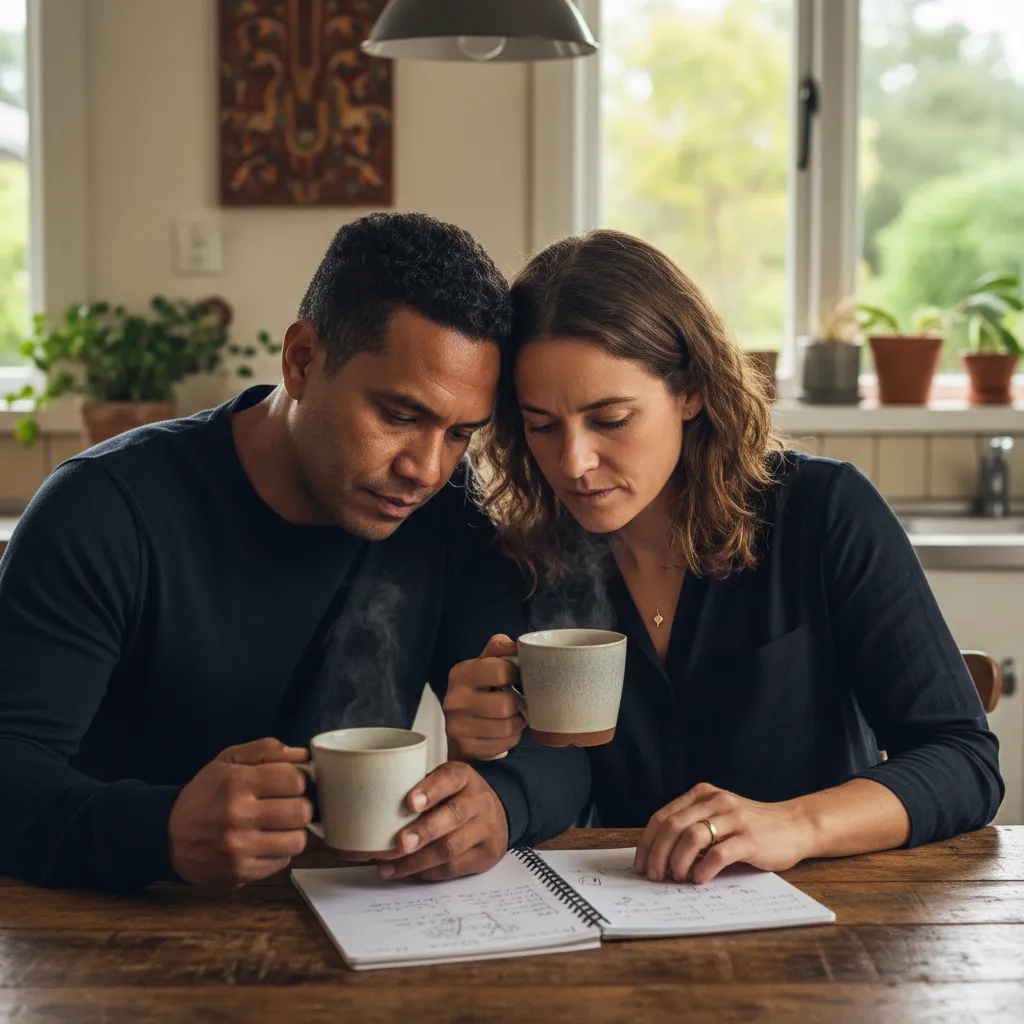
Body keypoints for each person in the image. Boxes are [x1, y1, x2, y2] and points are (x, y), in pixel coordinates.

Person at [0, 212, 589, 892]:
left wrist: (501, 801)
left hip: (346, 927)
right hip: (111, 934)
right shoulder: (103, 510)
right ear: (302, 360)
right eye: (399, 415)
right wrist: (160, 831)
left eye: (459, 433)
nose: (426, 470)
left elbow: (560, 750)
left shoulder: (451, 517)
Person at [444, 229, 1003, 885]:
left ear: (691, 390)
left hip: (833, 922)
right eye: (541, 425)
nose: (573, 463)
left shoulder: (823, 513)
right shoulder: (524, 550)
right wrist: (495, 771)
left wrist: (794, 824)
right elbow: (562, 768)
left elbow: (963, 759)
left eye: (612, 418)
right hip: (621, 920)